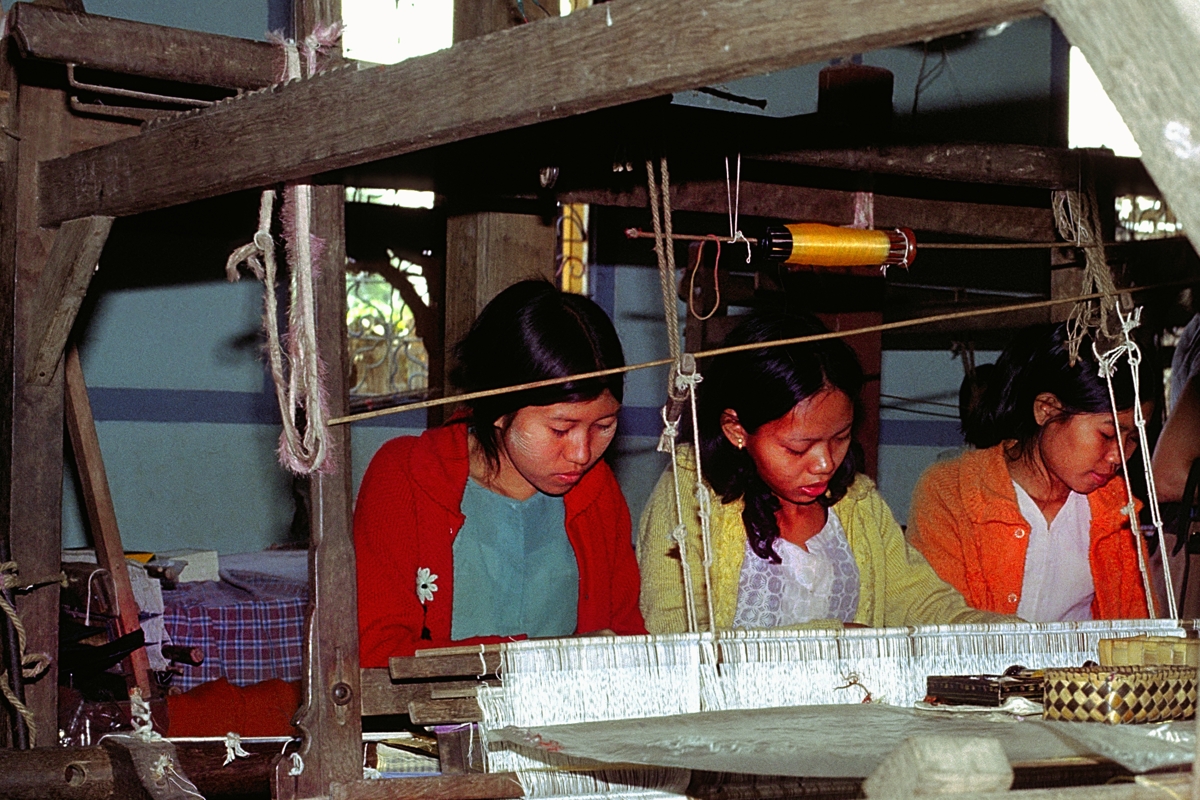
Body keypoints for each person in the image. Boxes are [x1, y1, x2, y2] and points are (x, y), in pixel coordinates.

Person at [638, 310, 1006, 633]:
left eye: (840, 438)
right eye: (797, 448)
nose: (824, 464)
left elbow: (918, 602)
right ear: (737, 429)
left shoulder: (857, 503)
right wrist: (832, 640)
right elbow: (678, 632)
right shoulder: (690, 491)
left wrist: (1001, 632)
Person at [355, 280, 646, 666]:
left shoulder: (596, 491)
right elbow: (377, 654)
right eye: (560, 429)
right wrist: (542, 660)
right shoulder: (407, 477)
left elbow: (626, 638)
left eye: (603, 426)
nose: (581, 453)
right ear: (500, 410)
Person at [907, 323, 1156, 621]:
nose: (1119, 456)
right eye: (1107, 435)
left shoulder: (1116, 507)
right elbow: (938, 622)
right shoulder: (952, 492)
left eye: (1132, 440)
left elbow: (1136, 627)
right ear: (1046, 410)